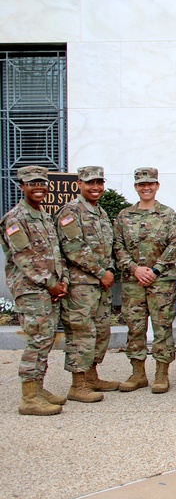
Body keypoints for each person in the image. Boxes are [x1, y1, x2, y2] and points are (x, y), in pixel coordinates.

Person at [3, 166, 67, 416]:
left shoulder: (41, 215)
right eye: (32, 183)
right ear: (22, 186)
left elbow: (53, 253)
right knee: (37, 340)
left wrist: (60, 282)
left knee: (45, 339)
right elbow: (24, 256)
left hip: (47, 288)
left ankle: (38, 389)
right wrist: (50, 282)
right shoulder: (16, 218)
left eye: (42, 183)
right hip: (31, 290)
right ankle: (28, 398)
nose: (38, 187)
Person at [114, 168, 176, 395]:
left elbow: (175, 244)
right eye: (141, 184)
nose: (146, 188)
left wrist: (155, 269)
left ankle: (161, 373)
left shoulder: (168, 214)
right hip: (133, 282)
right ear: (135, 187)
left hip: (161, 281)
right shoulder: (124, 216)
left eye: (150, 183)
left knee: (162, 327)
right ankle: (138, 373)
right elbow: (118, 247)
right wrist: (135, 269)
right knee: (135, 327)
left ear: (157, 186)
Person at [56, 165, 118, 402]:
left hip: (100, 284)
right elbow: (73, 248)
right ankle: (78, 384)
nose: (96, 187)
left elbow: (108, 246)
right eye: (90, 182)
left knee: (101, 331)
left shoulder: (100, 212)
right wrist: (102, 272)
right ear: (79, 184)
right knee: (81, 332)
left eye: (99, 183)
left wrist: (109, 270)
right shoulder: (70, 212)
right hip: (81, 285)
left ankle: (92, 376)